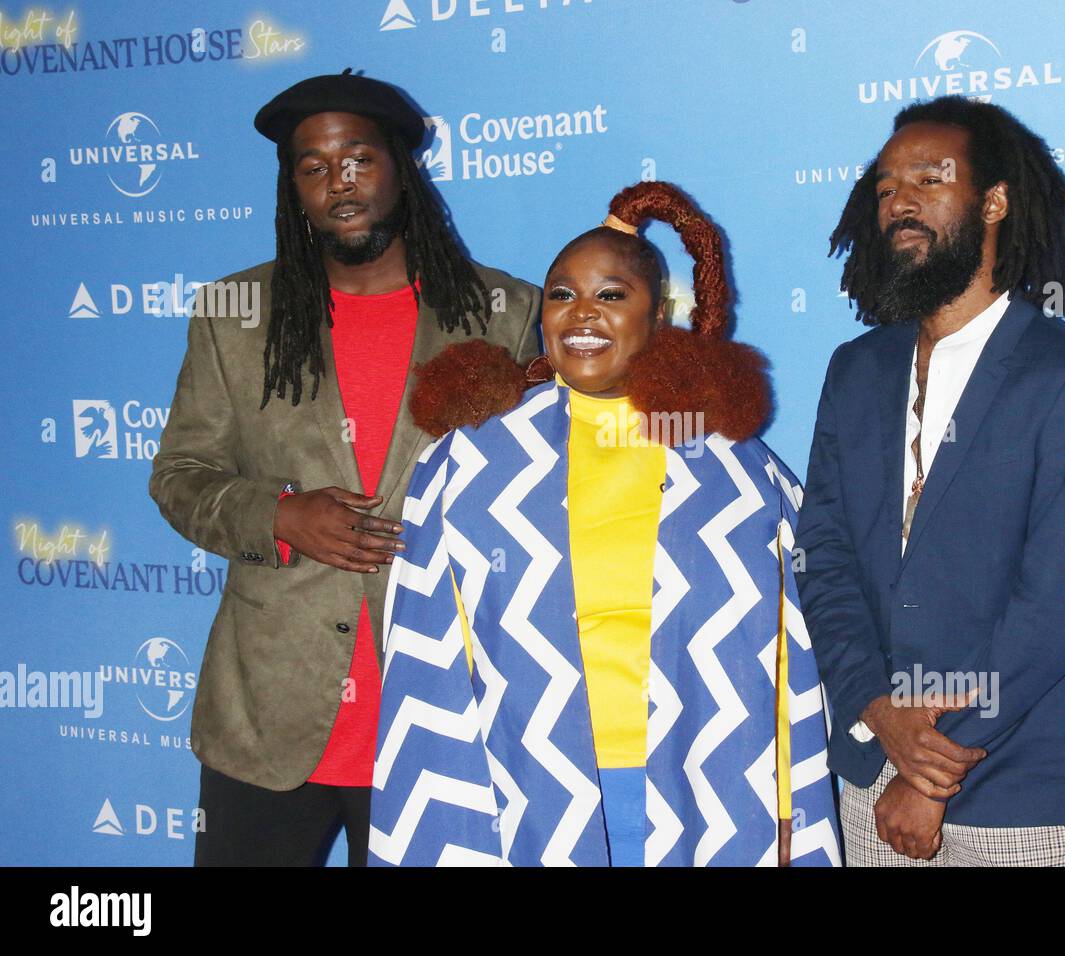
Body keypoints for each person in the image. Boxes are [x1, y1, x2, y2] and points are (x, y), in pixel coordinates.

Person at [368, 181, 840, 866]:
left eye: (612, 295)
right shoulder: (468, 460)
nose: (581, 314)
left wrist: (788, 802)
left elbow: (785, 650)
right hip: (518, 789)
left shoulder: (733, 469)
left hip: (705, 789)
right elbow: (425, 659)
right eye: (562, 294)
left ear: (661, 314)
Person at [149, 70, 541, 866]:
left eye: (359, 159)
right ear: (293, 187)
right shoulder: (235, 317)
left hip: (445, 713)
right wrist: (278, 516)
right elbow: (180, 475)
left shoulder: (506, 314)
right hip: (270, 716)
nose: (340, 183)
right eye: (314, 166)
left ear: (401, 167)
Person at [797, 95, 1065, 866]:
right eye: (884, 187)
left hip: (1012, 790)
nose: (899, 201)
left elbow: (1063, 603)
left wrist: (931, 773)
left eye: (928, 177)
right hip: (864, 779)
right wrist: (880, 713)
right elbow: (823, 554)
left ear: (994, 200)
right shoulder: (855, 370)